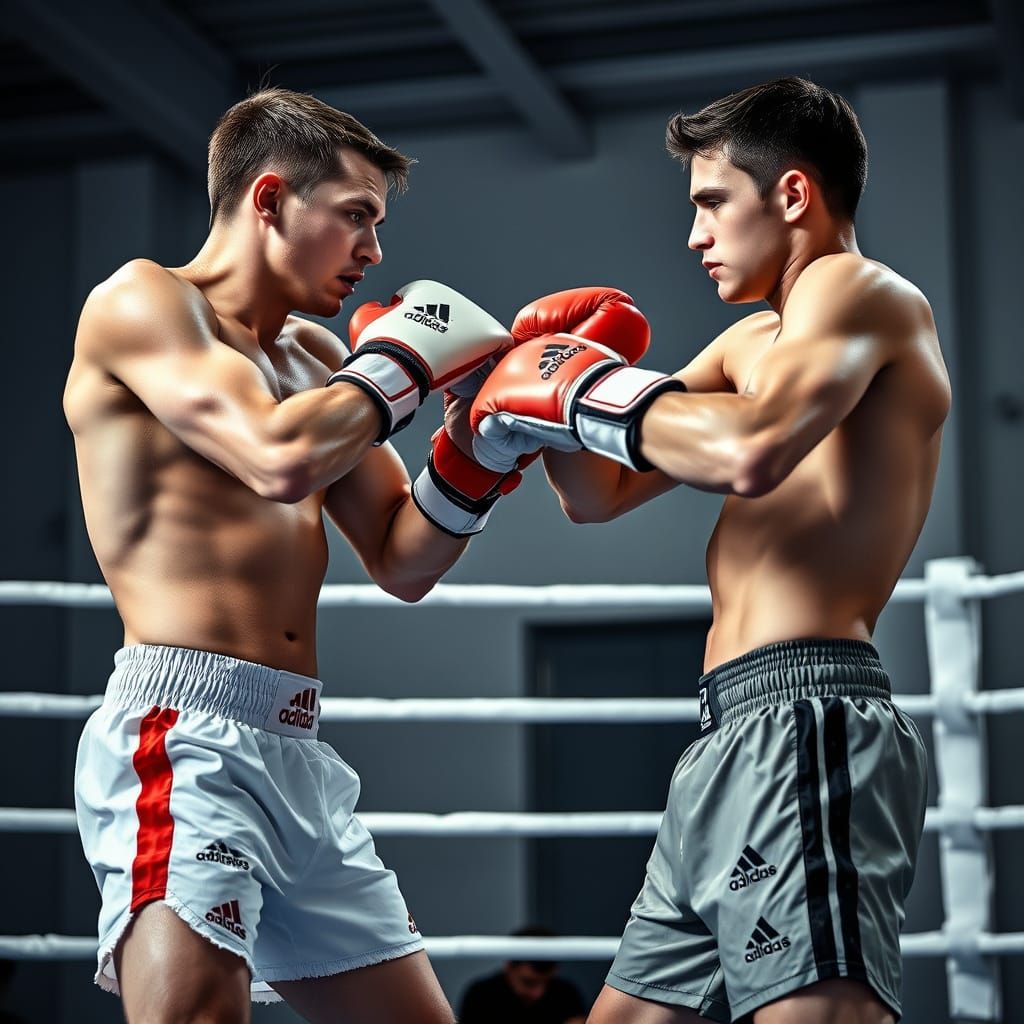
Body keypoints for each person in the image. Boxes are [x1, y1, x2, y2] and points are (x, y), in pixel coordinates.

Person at [63, 86, 630, 1024]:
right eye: (357, 216)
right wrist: (408, 358)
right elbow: (276, 456)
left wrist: (484, 444)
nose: (373, 251)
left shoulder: (319, 357)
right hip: (185, 736)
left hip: (296, 750)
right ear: (271, 199)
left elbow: (405, 559)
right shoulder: (143, 301)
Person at [469, 77, 949, 1023]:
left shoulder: (864, 294)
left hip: (809, 718)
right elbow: (598, 496)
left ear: (794, 195)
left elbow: (754, 450)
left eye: (711, 203)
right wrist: (528, 405)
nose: (695, 235)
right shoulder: (747, 341)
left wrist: (581, 393)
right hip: (723, 736)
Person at [459, 927, 588, 1024]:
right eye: (529, 982)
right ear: (509, 967)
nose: (538, 993)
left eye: (547, 982)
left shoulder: (566, 994)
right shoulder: (481, 996)